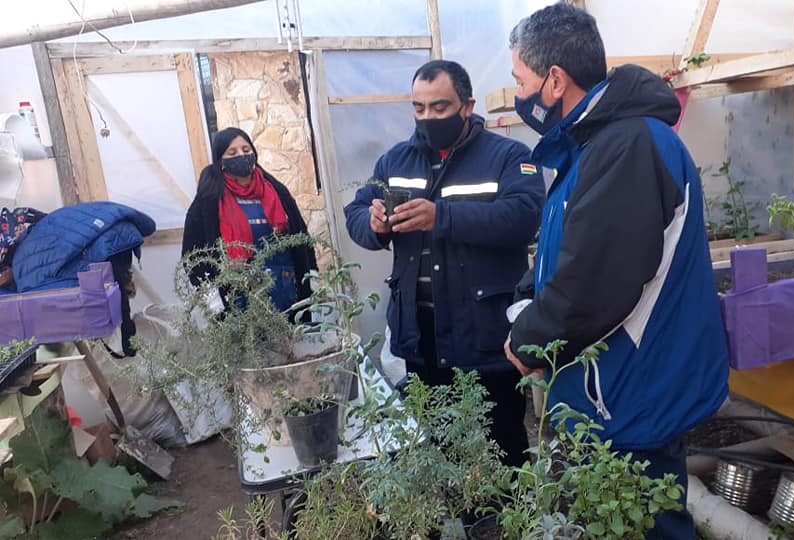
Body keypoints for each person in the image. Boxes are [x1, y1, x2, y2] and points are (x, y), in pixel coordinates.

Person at [503, 4, 729, 537]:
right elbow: (569, 252)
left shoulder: (628, 146)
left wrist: (530, 339)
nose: (518, 95)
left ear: (554, 80)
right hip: (616, 383)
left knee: (648, 520)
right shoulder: (594, 146)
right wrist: (527, 297)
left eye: (520, 80)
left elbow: (597, 281)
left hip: (634, 385)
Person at [344, 60, 545, 467]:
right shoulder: (396, 161)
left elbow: (524, 215)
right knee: (434, 443)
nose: (428, 117)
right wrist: (374, 222)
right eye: (419, 108)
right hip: (420, 335)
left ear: (467, 106)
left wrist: (443, 217)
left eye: (439, 107)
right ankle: (453, 519)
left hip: (483, 334)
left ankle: (510, 520)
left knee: (501, 439)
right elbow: (356, 210)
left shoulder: (508, 156)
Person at [182, 127, 317, 312]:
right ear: (220, 160)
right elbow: (193, 255)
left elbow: (302, 237)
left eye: (246, 150)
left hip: (288, 296)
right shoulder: (210, 199)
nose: (241, 155)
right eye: (232, 152)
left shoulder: (276, 191)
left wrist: (311, 278)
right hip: (242, 307)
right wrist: (212, 299)